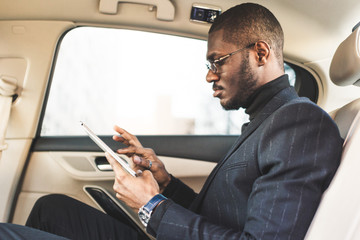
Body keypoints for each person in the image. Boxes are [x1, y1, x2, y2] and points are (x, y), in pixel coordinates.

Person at [20, 2, 342, 240]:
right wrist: (165, 183)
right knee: (52, 209)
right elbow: (222, 214)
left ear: (260, 53)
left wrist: (151, 205)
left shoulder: (299, 123)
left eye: (217, 61)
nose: (209, 75)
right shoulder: (266, 119)